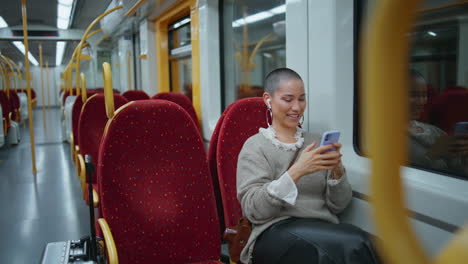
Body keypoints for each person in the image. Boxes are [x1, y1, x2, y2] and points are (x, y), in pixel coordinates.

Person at [236, 68, 379, 264]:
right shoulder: (255, 146)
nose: (297, 107)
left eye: (301, 99)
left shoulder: (316, 141)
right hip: (274, 232)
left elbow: (339, 205)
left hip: (320, 227)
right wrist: (297, 171)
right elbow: (254, 210)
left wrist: (337, 171)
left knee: (369, 242)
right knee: (352, 243)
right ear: (268, 99)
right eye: (288, 99)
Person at [408, 70, 468, 176]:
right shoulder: (385, 138)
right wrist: (434, 153)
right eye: (414, 95)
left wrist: (462, 154)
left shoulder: (433, 130)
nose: (422, 101)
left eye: (424, 95)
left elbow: (459, 169)